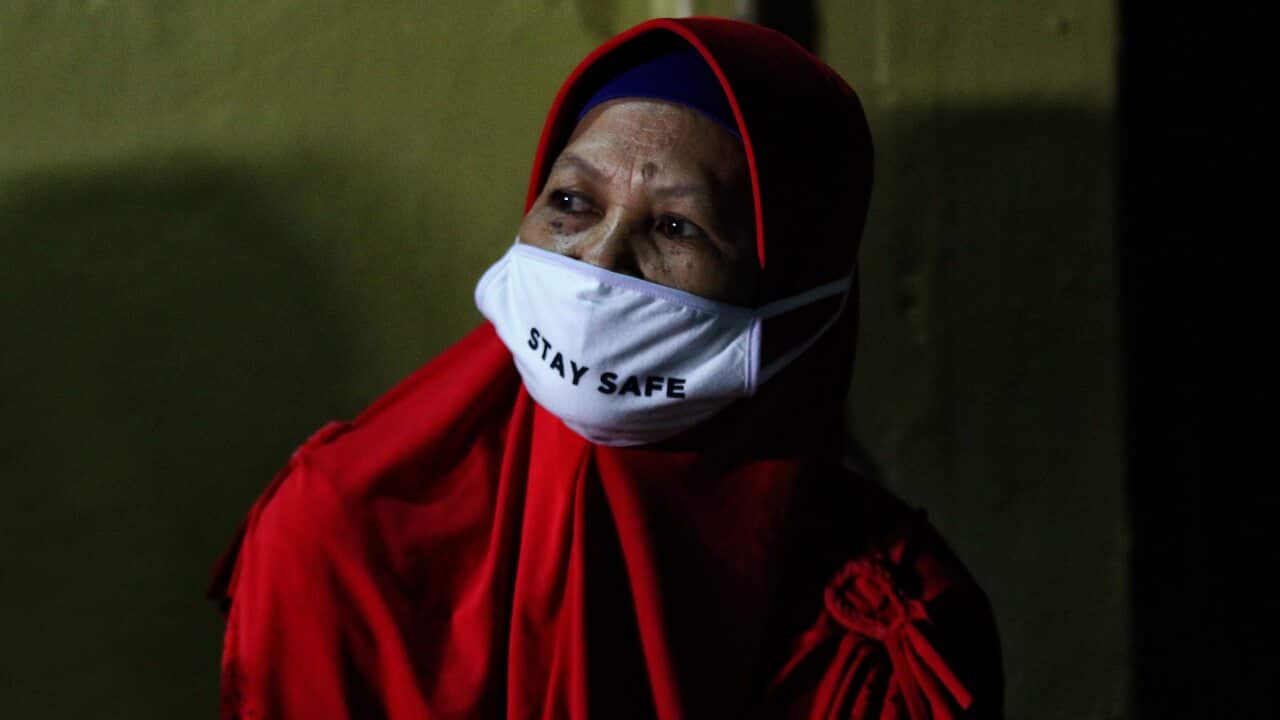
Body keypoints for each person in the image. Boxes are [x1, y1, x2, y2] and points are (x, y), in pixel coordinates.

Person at [208, 17, 1003, 719]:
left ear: (797, 293)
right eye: (571, 203)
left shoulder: (883, 647)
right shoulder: (345, 541)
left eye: (676, 226)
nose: (600, 259)